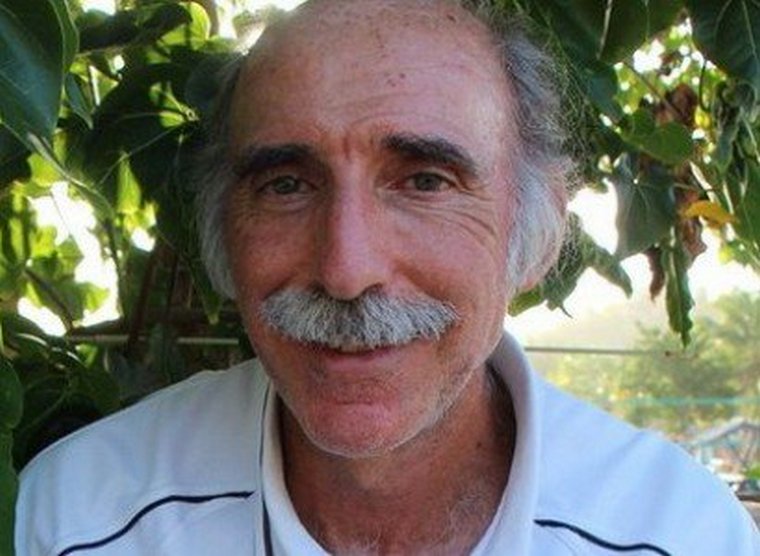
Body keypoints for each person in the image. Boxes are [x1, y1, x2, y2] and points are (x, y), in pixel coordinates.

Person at [15, 0, 760, 554]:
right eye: (286, 185)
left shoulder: (679, 534)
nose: (346, 271)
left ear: (537, 236)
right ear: (221, 234)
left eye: (426, 182)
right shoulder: (83, 519)